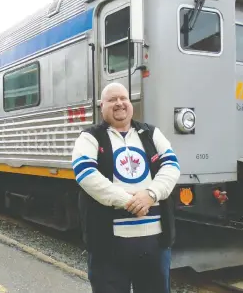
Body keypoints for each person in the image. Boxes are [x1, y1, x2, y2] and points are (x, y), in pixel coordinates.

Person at [72, 82, 180, 293]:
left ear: (131, 104)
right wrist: (128, 201)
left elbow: (172, 166)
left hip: (155, 244)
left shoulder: (151, 133)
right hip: (108, 245)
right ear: (101, 106)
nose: (119, 103)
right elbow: (86, 174)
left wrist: (150, 194)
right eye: (112, 100)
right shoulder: (89, 137)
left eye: (124, 98)